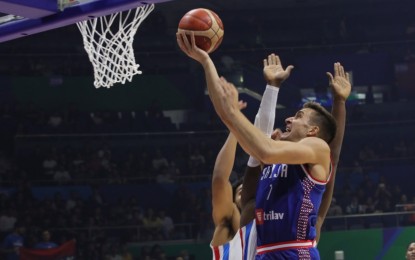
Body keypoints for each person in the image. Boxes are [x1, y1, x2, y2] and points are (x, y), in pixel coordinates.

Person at [177, 32, 340, 259]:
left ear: (313, 131)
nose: (289, 119)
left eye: (298, 116)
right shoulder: (272, 159)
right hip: (263, 254)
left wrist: (234, 113)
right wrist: (205, 61)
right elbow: (232, 118)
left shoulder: (317, 148)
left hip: (295, 252)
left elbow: (265, 148)